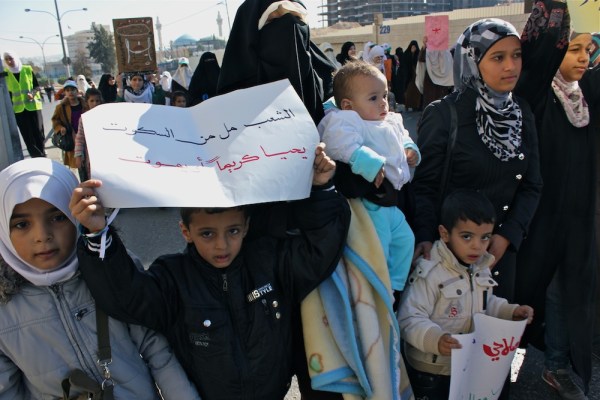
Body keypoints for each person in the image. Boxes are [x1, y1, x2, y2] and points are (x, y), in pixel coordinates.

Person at [71, 144, 351, 400]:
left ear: (247, 227)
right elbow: (127, 297)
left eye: (233, 231)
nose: (222, 245)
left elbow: (318, 252)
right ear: (186, 231)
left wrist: (321, 189)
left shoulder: (269, 262)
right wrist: (98, 233)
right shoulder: (173, 278)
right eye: (207, 233)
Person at [0, 157, 200, 399]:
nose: (42, 236)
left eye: (58, 217)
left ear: (76, 215)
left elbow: (157, 350)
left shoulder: (109, 271)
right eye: (22, 224)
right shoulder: (4, 305)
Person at [412, 18, 542, 309]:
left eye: (516, 55)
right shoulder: (445, 114)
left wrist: (507, 236)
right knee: (448, 350)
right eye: (498, 57)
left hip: (498, 260)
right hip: (448, 262)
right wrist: (423, 236)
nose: (511, 66)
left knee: (495, 345)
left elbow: (532, 185)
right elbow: (424, 186)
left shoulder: (521, 112)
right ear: (472, 60)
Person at [513, 1, 600, 397]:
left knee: (567, 292)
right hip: (538, 220)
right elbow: (542, 43)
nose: (584, 57)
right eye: (573, 49)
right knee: (524, 293)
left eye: (588, 49)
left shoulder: (587, 99)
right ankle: (492, 362)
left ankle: (556, 366)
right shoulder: (535, 94)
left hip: (578, 220)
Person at [399, 189, 534, 400]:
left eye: (485, 238)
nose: (477, 246)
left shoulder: (481, 266)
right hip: (430, 372)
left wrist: (510, 311)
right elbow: (408, 318)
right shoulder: (431, 271)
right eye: (467, 236)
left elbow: (485, 303)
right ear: (445, 234)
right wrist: (436, 338)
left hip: (466, 365)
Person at [318, 61, 420, 298]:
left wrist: (410, 148)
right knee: (377, 248)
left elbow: (403, 137)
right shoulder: (347, 121)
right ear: (348, 105)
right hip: (372, 204)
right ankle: (378, 289)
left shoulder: (391, 120)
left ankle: (394, 287)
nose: (383, 102)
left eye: (384, 95)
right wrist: (370, 163)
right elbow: (338, 143)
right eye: (373, 98)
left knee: (406, 239)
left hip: (394, 199)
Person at [2, 51, 46, 158]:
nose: (9, 61)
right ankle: (36, 156)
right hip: (18, 110)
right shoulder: (6, 73)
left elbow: (36, 86)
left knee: (38, 132)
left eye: (11, 58)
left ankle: (42, 154)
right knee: (27, 135)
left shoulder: (27, 69)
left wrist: (33, 93)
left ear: (15, 58)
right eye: (7, 59)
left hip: (33, 107)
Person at [51, 79, 85, 170]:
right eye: (67, 90)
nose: (70, 92)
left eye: (73, 89)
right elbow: (55, 120)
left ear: (77, 91)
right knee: (76, 163)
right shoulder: (61, 107)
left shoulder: (84, 104)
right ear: (65, 92)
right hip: (71, 137)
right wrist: (60, 128)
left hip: (84, 136)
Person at [416, 36, 454, 109]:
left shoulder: (445, 52)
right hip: (431, 83)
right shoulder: (428, 52)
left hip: (441, 85)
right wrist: (424, 46)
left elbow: (449, 66)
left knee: (441, 106)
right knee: (431, 105)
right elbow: (421, 59)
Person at [74, 88, 103, 181]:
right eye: (92, 101)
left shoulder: (106, 115)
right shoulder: (84, 118)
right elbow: (80, 138)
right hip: (90, 154)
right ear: (87, 102)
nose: (95, 103)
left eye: (97, 101)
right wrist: (78, 155)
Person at [403, 40, 422, 111]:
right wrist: (411, 54)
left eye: (415, 47)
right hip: (409, 76)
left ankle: (416, 106)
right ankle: (407, 105)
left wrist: (414, 54)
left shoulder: (418, 53)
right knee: (409, 91)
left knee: (416, 92)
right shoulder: (407, 53)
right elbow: (405, 63)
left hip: (416, 75)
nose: (413, 48)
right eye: (412, 46)